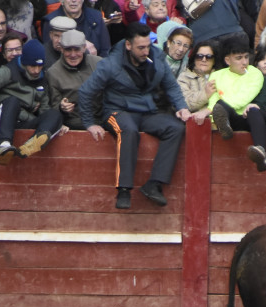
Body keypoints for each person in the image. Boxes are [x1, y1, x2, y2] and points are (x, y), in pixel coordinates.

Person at [79, 23, 192, 208]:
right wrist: (89, 123)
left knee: (175, 128)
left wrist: (182, 107)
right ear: (128, 45)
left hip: (147, 111)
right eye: (141, 47)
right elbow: (85, 92)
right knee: (128, 130)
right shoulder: (110, 64)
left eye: (148, 46)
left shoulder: (157, 57)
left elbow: (171, 86)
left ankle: (154, 184)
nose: (146, 51)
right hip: (116, 111)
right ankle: (123, 189)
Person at [0, 40, 65, 164]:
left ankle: (33, 143)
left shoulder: (43, 78)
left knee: (55, 114)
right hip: (0, 115)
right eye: (32, 66)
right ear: (25, 62)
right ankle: (5, 146)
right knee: (12, 101)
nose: (37, 70)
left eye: (40, 66)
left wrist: (54, 124)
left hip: (23, 120)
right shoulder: (8, 71)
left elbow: (44, 109)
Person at [209, 42, 266, 171]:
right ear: (227, 60)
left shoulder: (255, 73)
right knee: (219, 106)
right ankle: (224, 127)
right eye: (239, 58)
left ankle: (261, 153)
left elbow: (244, 98)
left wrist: (220, 106)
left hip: (249, 118)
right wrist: (213, 116)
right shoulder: (216, 75)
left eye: (246, 57)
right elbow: (213, 101)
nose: (244, 62)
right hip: (231, 116)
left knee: (253, 110)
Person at [48, 30, 104, 129]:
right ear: (61, 49)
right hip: (75, 123)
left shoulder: (98, 63)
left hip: (103, 119)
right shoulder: (53, 72)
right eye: (68, 50)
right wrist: (62, 107)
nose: (73, 55)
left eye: (77, 49)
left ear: (84, 48)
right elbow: (53, 106)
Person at [44, 0, 112, 56]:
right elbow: (49, 55)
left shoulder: (96, 17)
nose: (73, 1)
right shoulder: (51, 21)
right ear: (61, 0)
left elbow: (106, 50)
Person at [178, 39, 219, 122]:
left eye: (209, 57)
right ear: (194, 58)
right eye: (199, 56)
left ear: (214, 60)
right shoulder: (184, 77)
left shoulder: (222, 76)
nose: (204, 59)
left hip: (218, 122)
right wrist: (205, 94)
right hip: (192, 122)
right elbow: (184, 104)